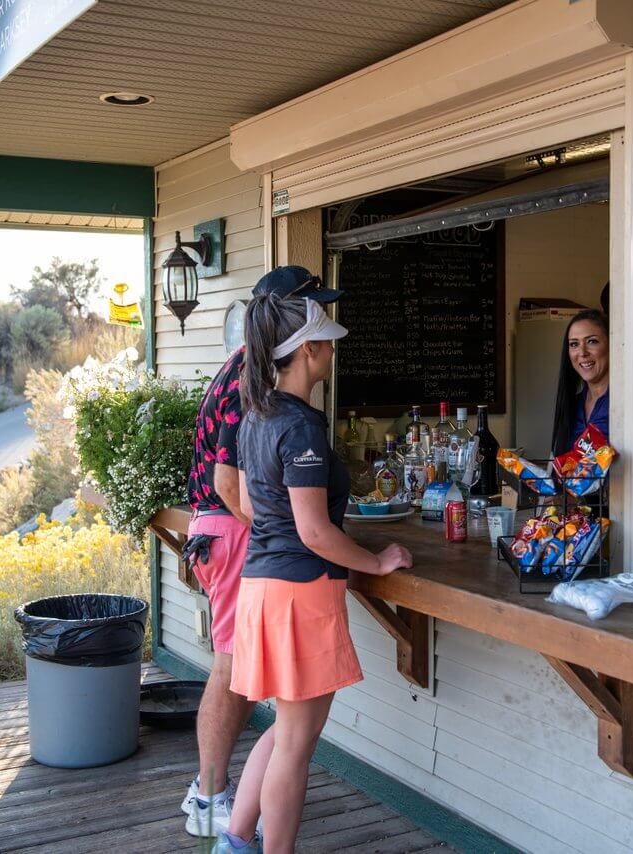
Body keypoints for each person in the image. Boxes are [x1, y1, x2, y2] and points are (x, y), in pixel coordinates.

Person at [214, 295, 412, 854]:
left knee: (282, 732)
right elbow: (314, 531)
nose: (332, 350)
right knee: (296, 746)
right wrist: (376, 562)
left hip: (261, 586)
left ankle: (235, 843)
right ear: (308, 352)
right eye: (326, 343)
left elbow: (258, 504)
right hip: (300, 592)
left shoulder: (256, 414)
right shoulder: (299, 424)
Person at [183, 266, 340, 838]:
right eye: (310, 308)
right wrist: (280, 530)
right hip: (232, 532)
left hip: (227, 532)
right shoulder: (250, 382)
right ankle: (209, 799)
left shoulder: (247, 373)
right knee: (234, 670)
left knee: (260, 692)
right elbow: (232, 484)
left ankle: (227, 810)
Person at [551, 308, 610, 457]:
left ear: (611, 345)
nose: (582, 352)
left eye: (592, 341)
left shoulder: (626, 404)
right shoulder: (573, 404)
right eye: (574, 344)